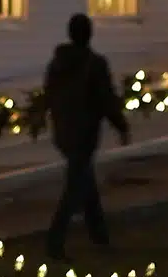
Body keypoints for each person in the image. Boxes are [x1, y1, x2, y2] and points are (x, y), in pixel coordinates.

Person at [45, 14, 129, 256]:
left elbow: (50, 94)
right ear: (89, 34)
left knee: (86, 183)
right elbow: (106, 100)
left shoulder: (56, 64)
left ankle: (100, 236)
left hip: (63, 131)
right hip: (85, 132)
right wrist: (121, 125)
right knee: (75, 188)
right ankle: (55, 241)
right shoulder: (95, 64)